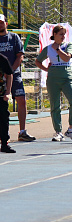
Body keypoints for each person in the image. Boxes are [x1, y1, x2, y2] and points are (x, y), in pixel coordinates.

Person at [35, 24, 72, 142]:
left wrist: (58, 49)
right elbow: (38, 61)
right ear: (54, 35)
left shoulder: (68, 45)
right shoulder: (48, 48)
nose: (63, 36)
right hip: (53, 79)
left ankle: (71, 129)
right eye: (61, 34)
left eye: (64, 34)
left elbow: (67, 58)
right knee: (55, 105)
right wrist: (46, 69)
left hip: (66, 77)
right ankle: (58, 132)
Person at [0, 14, 36, 142]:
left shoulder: (14, 37)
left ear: (6, 23)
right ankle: (3, 134)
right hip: (0, 78)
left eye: (1, 22)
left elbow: (19, 56)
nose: (0, 24)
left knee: (21, 100)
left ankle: (22, 131)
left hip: (14, 75)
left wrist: (9, 72)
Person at [0, 52, 15, 153]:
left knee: (3, 120)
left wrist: (8, 92)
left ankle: (4, 144)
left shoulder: (2, 59)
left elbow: (9, 74)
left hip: (1, 95)